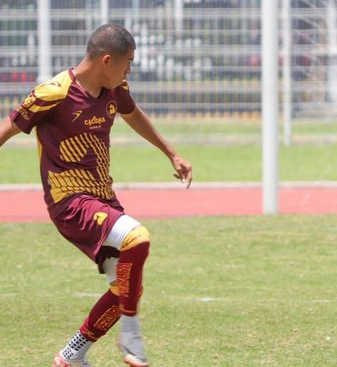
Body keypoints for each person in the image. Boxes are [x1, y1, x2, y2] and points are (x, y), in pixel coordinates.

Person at [0, 23, 193, 367]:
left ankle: (72, 355)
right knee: (137, 238)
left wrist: (171, 153)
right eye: (128, 62)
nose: (130, 69)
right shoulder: (53, 93)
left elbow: (133, 115)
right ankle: (131, 334)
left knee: (126, 288)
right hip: (70, 202)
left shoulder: (115, 88)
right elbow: (7, 129)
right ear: (107, 60)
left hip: (103, 198)